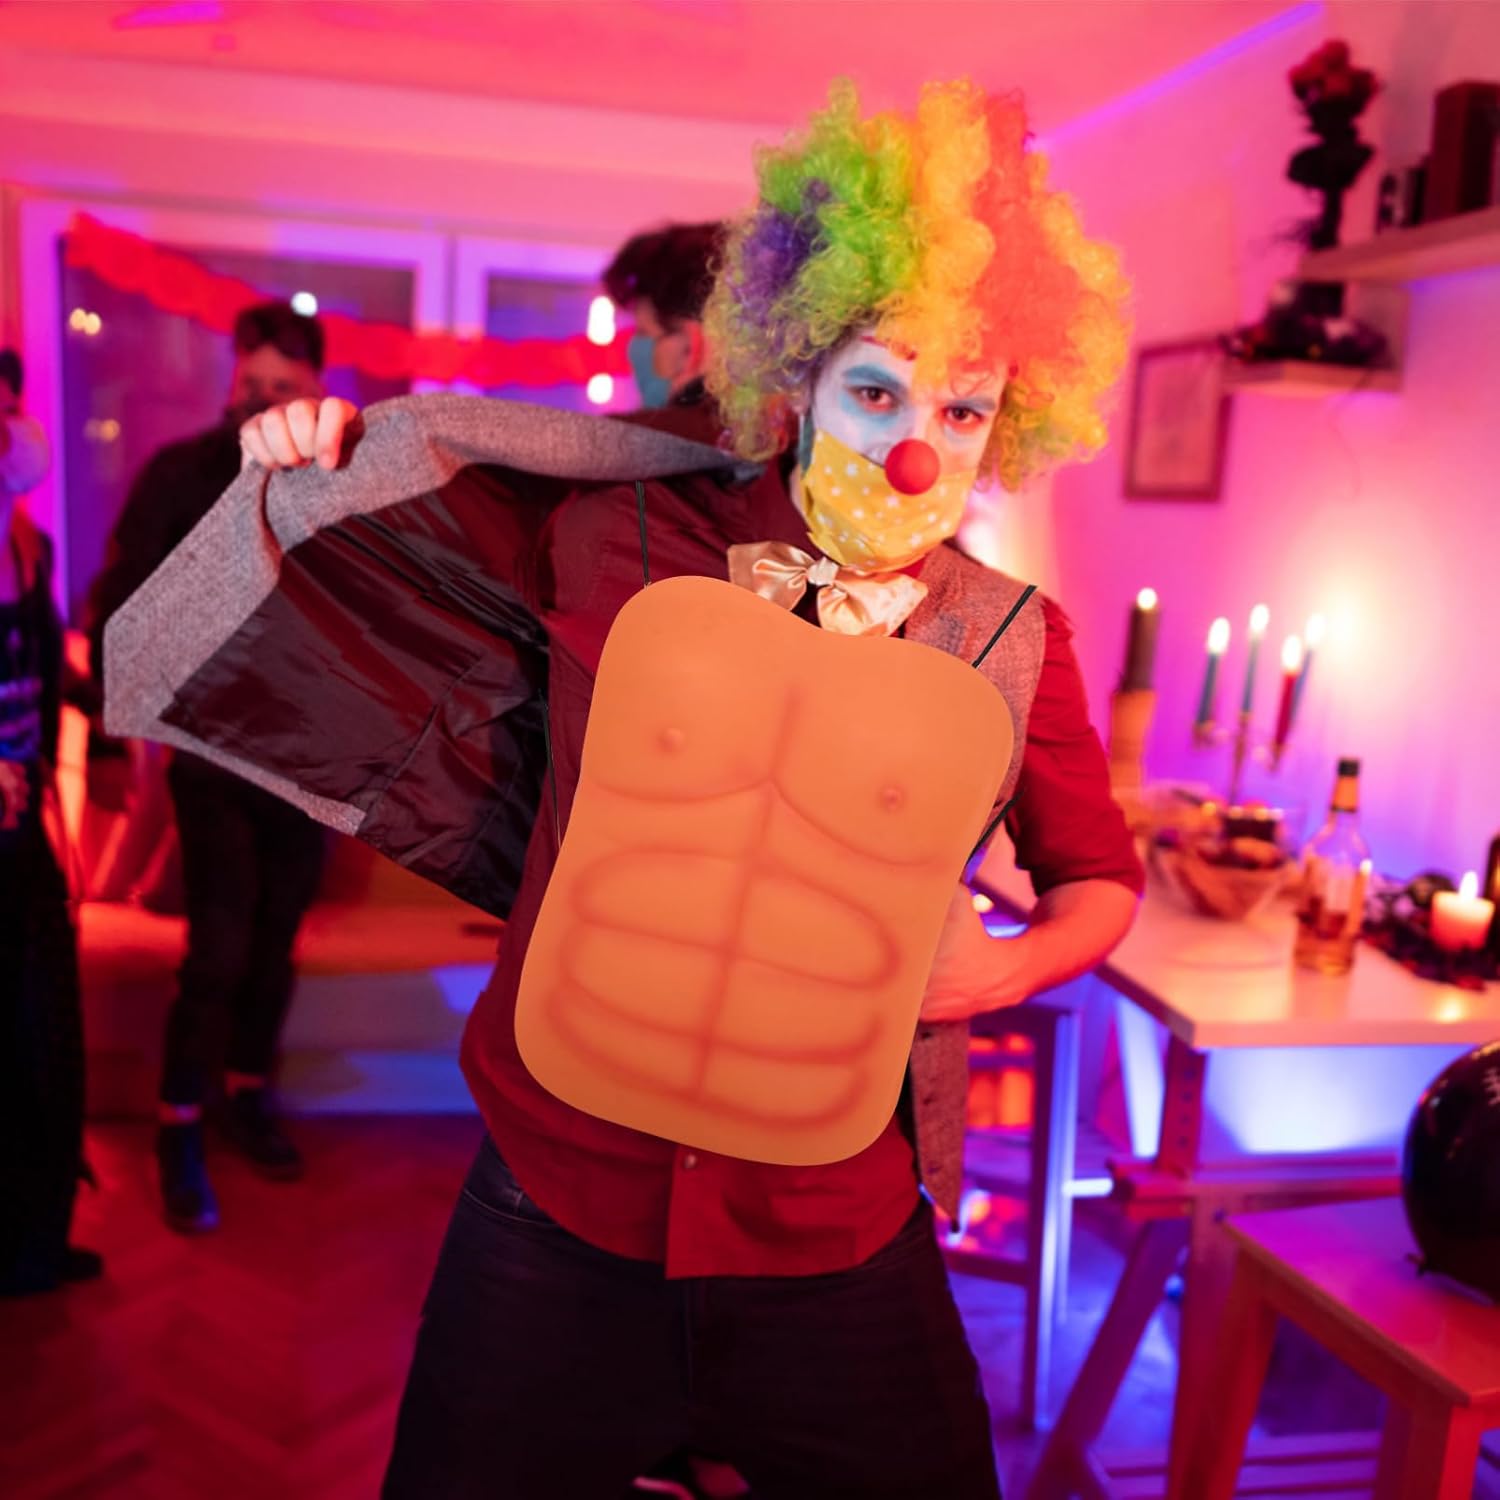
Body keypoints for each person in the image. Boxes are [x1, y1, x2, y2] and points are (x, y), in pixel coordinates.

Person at [108, 79, 1140, 1497]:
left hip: (832, 1222)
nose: (920, 445)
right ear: (797, 378)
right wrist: (325, 456)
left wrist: (1002, 969)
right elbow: (407, 526)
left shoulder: (1014, 641)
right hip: (558, 1193)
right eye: (878, 390)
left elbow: (1102, 883)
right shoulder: (614, 529)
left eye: (965, 410)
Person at [88, 303, 330, 1234]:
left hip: (309, 757)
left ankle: (247, 1095)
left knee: (274, 943)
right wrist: (124, 721)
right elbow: (121, 600)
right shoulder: (181, 473)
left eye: (283, 388)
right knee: (220, 947)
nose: (262, 402)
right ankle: (179, 1124)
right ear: (233, 380)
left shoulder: (336, 481)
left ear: (314, 390)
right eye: (251, 385)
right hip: (213, 747)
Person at [0, 349, 101, 1297]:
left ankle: (35, 1238)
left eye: (8, 407)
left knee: (43, 1036)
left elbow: (49, 670)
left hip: (24, 835)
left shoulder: (31, 548)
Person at [603, 220, 724, 422]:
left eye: (643, 332)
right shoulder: (772, 432)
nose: (632, 350)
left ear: (690, 348)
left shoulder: (631, 436)